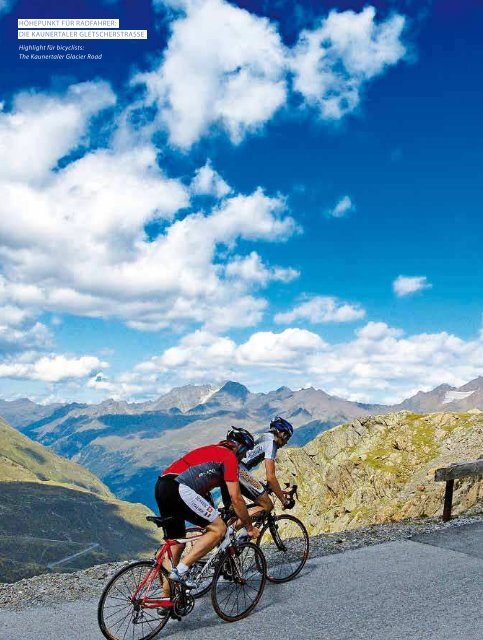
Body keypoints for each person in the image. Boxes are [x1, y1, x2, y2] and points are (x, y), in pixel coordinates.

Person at [155, 427, 260, 589]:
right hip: (179, 488)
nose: (245, 455)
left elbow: (221, 498)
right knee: (218, 529)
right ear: (238, 447)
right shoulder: (229, 457)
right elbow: (236, 498)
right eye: (246, 450)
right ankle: (182, 571)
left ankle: (167, 601)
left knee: (177, 544)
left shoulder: (212, 450)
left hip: (162, 485)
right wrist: (249, 527)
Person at [236, 416, 295, 520]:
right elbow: (271, 477)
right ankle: (234, 529)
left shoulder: (264, 436)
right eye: (287, 437)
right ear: (281, 433)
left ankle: (227, 530)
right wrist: (284, 500)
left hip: (232, 467)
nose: (286, 442)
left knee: (234, 509)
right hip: (239, 469)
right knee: (267, 505)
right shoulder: (272, 443)